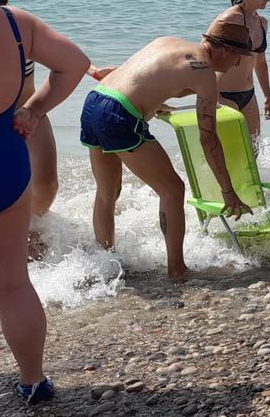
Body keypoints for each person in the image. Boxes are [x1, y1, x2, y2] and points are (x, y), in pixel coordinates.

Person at [86, 21, 255, 282]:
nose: (236, 65)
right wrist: (228, 192)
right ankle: (177, 270)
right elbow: (208, 140)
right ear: (223, 49)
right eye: (237, 57)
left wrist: (155, 102)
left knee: (108, 191)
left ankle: (106, 265)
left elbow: (138, 76)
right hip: (119, 115)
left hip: (96, 100)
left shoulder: (170, 41)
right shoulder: (205, 72)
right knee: (173, 190)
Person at [0, 0, 89, 405]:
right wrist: (34, 109)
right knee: (11, 284)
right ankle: (33, 381)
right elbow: (75, 62)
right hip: (2, 158)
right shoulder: (15, 23)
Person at [0, 0, 109, 218]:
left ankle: (32, 231)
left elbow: (67, 58)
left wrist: (92, 71)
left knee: (46, 185)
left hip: (27, 109)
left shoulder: (15, 26)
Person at [212, 0, 270, 140]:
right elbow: (202, 55)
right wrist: (208, 96)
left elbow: (260, 62)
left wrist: (268, 97)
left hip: (248, 94)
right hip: (222, 95)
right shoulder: (230, 19)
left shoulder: (262, 22)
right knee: (232, 151)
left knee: (254, 149)